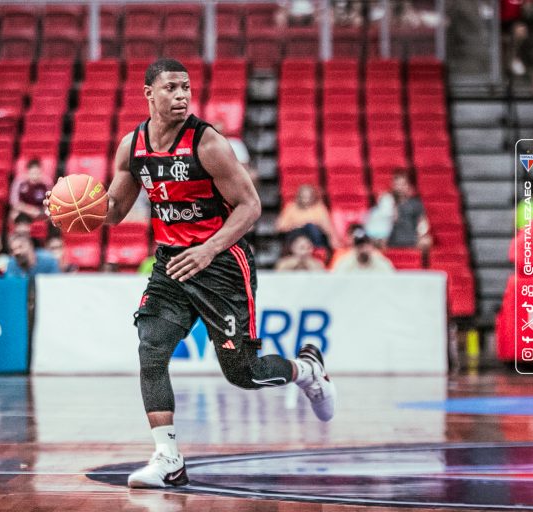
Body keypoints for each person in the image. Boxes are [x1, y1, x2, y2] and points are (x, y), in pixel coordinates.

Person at [44, 58, 336, 489]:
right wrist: (72, 208)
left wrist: (208, 249)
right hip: (172, 264)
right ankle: (169, 458)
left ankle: (307, 370)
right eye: (171, 88)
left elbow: (251, 207)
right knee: (151, 349)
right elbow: (115, 211)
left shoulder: (209, 143)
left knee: (244, 372)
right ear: (149, 94)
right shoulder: (132, 146)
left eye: (186, 87)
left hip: (222, 264)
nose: (181, 95)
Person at [275, 184, 341, 249]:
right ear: (299, 197)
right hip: (296, 234)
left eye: (309, 197)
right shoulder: (291, 207)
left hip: (314, 234)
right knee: (306, 227)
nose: (307, 199)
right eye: (304, 197)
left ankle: (319, 249)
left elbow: (327, 226)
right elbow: (281, 227)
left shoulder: (319, 208)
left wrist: (333, 239)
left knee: (311, 227)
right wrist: (298, 225)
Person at [384, 172, 431, 250]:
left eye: (403, 184)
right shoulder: (386, 203)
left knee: (427, 241)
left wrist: (421, 235)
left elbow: (422, 223)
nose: (400, 188)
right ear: (393, 186)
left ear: (408, 186)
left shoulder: (416, 203)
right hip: (391, 241)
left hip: (412, 240)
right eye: (397, 185)